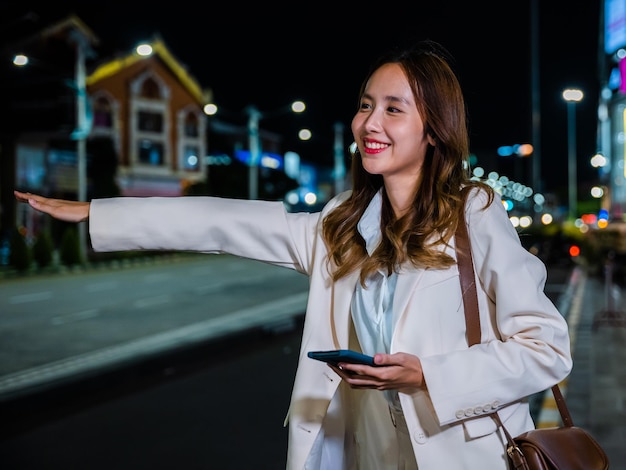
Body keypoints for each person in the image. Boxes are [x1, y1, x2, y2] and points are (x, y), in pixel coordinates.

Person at [15, 40, 572, 469]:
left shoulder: (473, 215)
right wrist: (99, 214)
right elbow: (222, 223)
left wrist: (427, 375)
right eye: (364, 106)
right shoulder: (341, 226)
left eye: (393, 109)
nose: (369, 123)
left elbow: (547, 348)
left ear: (434, 129)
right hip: (370, 453)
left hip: (459, 454)